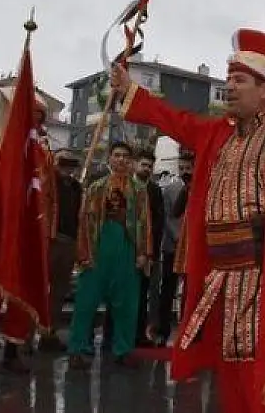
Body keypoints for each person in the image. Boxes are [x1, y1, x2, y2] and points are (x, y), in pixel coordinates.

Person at [110, 28, 265, 413]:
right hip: (223, 279)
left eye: (239, 80)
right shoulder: (218, 135)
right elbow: (176, 120)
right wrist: (129, 90)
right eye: (228, 79)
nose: (229, 87)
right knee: (234, 380)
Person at [0, 93, 55, 375]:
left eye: (40, 120)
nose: (35, 125)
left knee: (22, 295)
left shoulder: (43, 156)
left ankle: (12, 350)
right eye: (32, 119)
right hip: (0, 235)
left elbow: (47, 197)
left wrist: (45, 233)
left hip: (29, 236)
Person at [68, 141, 151, 368]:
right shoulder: (96, 188)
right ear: (109, 159)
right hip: (99, 247)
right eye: (117, 155)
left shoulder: (139, 191)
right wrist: (84, 251)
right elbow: (85, 222)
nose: (121, 160)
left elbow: (145, 223)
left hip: (127, 248)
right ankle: (78, 348)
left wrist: (144, 252)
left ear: (131, 161)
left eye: (126, 156)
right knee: (86, 302)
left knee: (127, 304)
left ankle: (123, 348)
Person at [38, 150, 82, 352]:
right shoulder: (48, 182)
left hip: (69, 241)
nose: (67, 167)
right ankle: (28, 335)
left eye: (71, 164)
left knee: (59, 291)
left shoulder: (76, 187)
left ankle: (50, 332)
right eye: (63, 162)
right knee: (39, 288)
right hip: (49, 239)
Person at [150, 149, 192, 346]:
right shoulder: (168, 187)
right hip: (172, 245)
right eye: (181, 167)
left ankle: (189, 332)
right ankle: (162, 331)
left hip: (193, 247)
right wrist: (177, 237)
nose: (185, 171)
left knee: (191, 291)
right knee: (167, 289)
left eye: (188, 168)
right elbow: (166, 216)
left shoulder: (202, 186)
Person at [133, 148, 163, 347]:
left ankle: (140, 334)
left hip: (148, 248)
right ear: (136, 164)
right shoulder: (127, 185)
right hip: (127, 246)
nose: (147, 169)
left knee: (143, 293)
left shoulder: (154, 189)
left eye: (150, 166)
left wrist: (152, 251)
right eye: (143, 164)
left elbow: (159, 220)